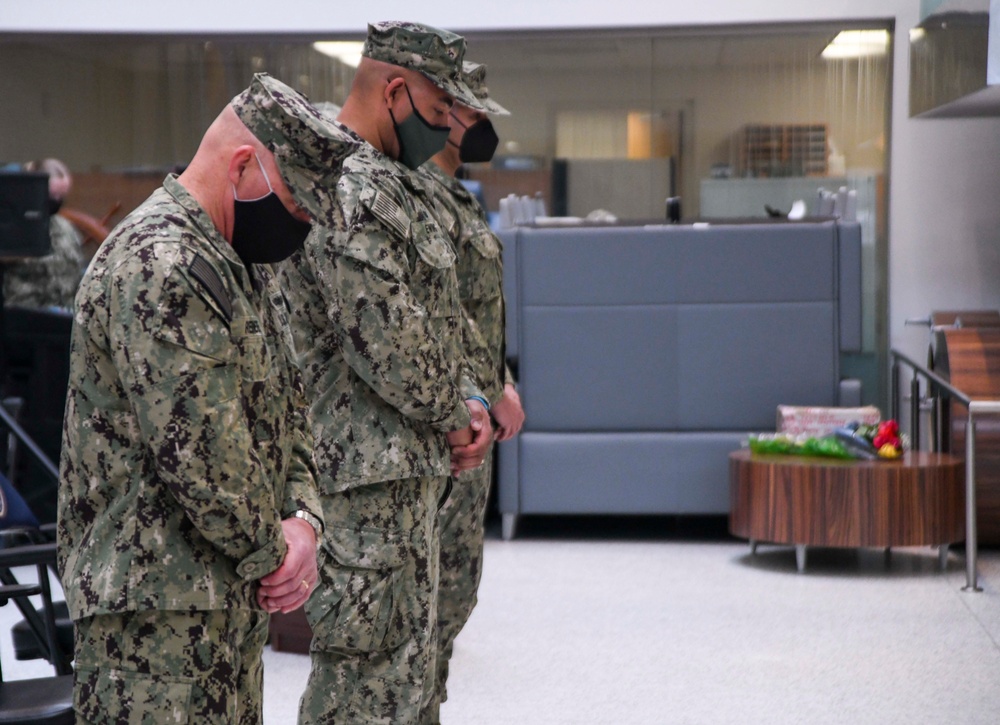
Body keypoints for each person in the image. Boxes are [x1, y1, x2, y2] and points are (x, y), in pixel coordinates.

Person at [57, 73, 353, 724]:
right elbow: (206, 462)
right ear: (245, 166)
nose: (301, 225)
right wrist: (280, 555)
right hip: (151, 623)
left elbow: (291, 410)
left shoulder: (235, 264)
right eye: (300, 205)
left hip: (223, 602)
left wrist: (304, 519)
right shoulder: (160, 261)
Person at [280, 21, 496, 725]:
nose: (443, 133)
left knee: (411, 680)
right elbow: (391, 342)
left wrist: (470, 394)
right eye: (437, 115)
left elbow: (443, 313)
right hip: (363, 484)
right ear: (394, 91)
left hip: (409, 478)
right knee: (362, 689)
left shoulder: (397, 184)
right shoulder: (346, 180)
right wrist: (457, 411)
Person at [415, 60, 525, 723]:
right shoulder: (415, 193)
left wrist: (502, 380)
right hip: (444, 433)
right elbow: (425, 321)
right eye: (474, 111)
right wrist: (472, 401)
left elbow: (470, 313)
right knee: (419, 609)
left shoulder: (459, 193)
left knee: (452, 599)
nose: (483, 124)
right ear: (444, 113)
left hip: (475, 425)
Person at [3, 158, 86, 310]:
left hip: (66, 312)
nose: (57, 201)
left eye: (61, 197)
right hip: (24, 313)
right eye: (53, 195)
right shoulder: (11, 226)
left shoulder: (65, 227)